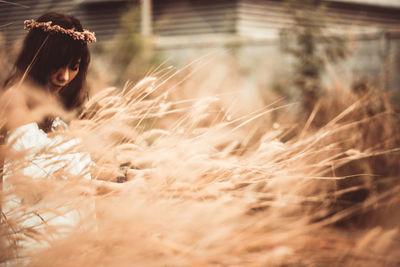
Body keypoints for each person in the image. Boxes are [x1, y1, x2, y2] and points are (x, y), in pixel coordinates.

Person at [0, 12, 97, 263]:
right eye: (57, 65)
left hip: (66, 223)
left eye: (73, 67)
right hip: (33, 227)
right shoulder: (15, 97)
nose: (64, 77)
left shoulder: (56, 103)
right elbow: (32, 166)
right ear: (38, 59)